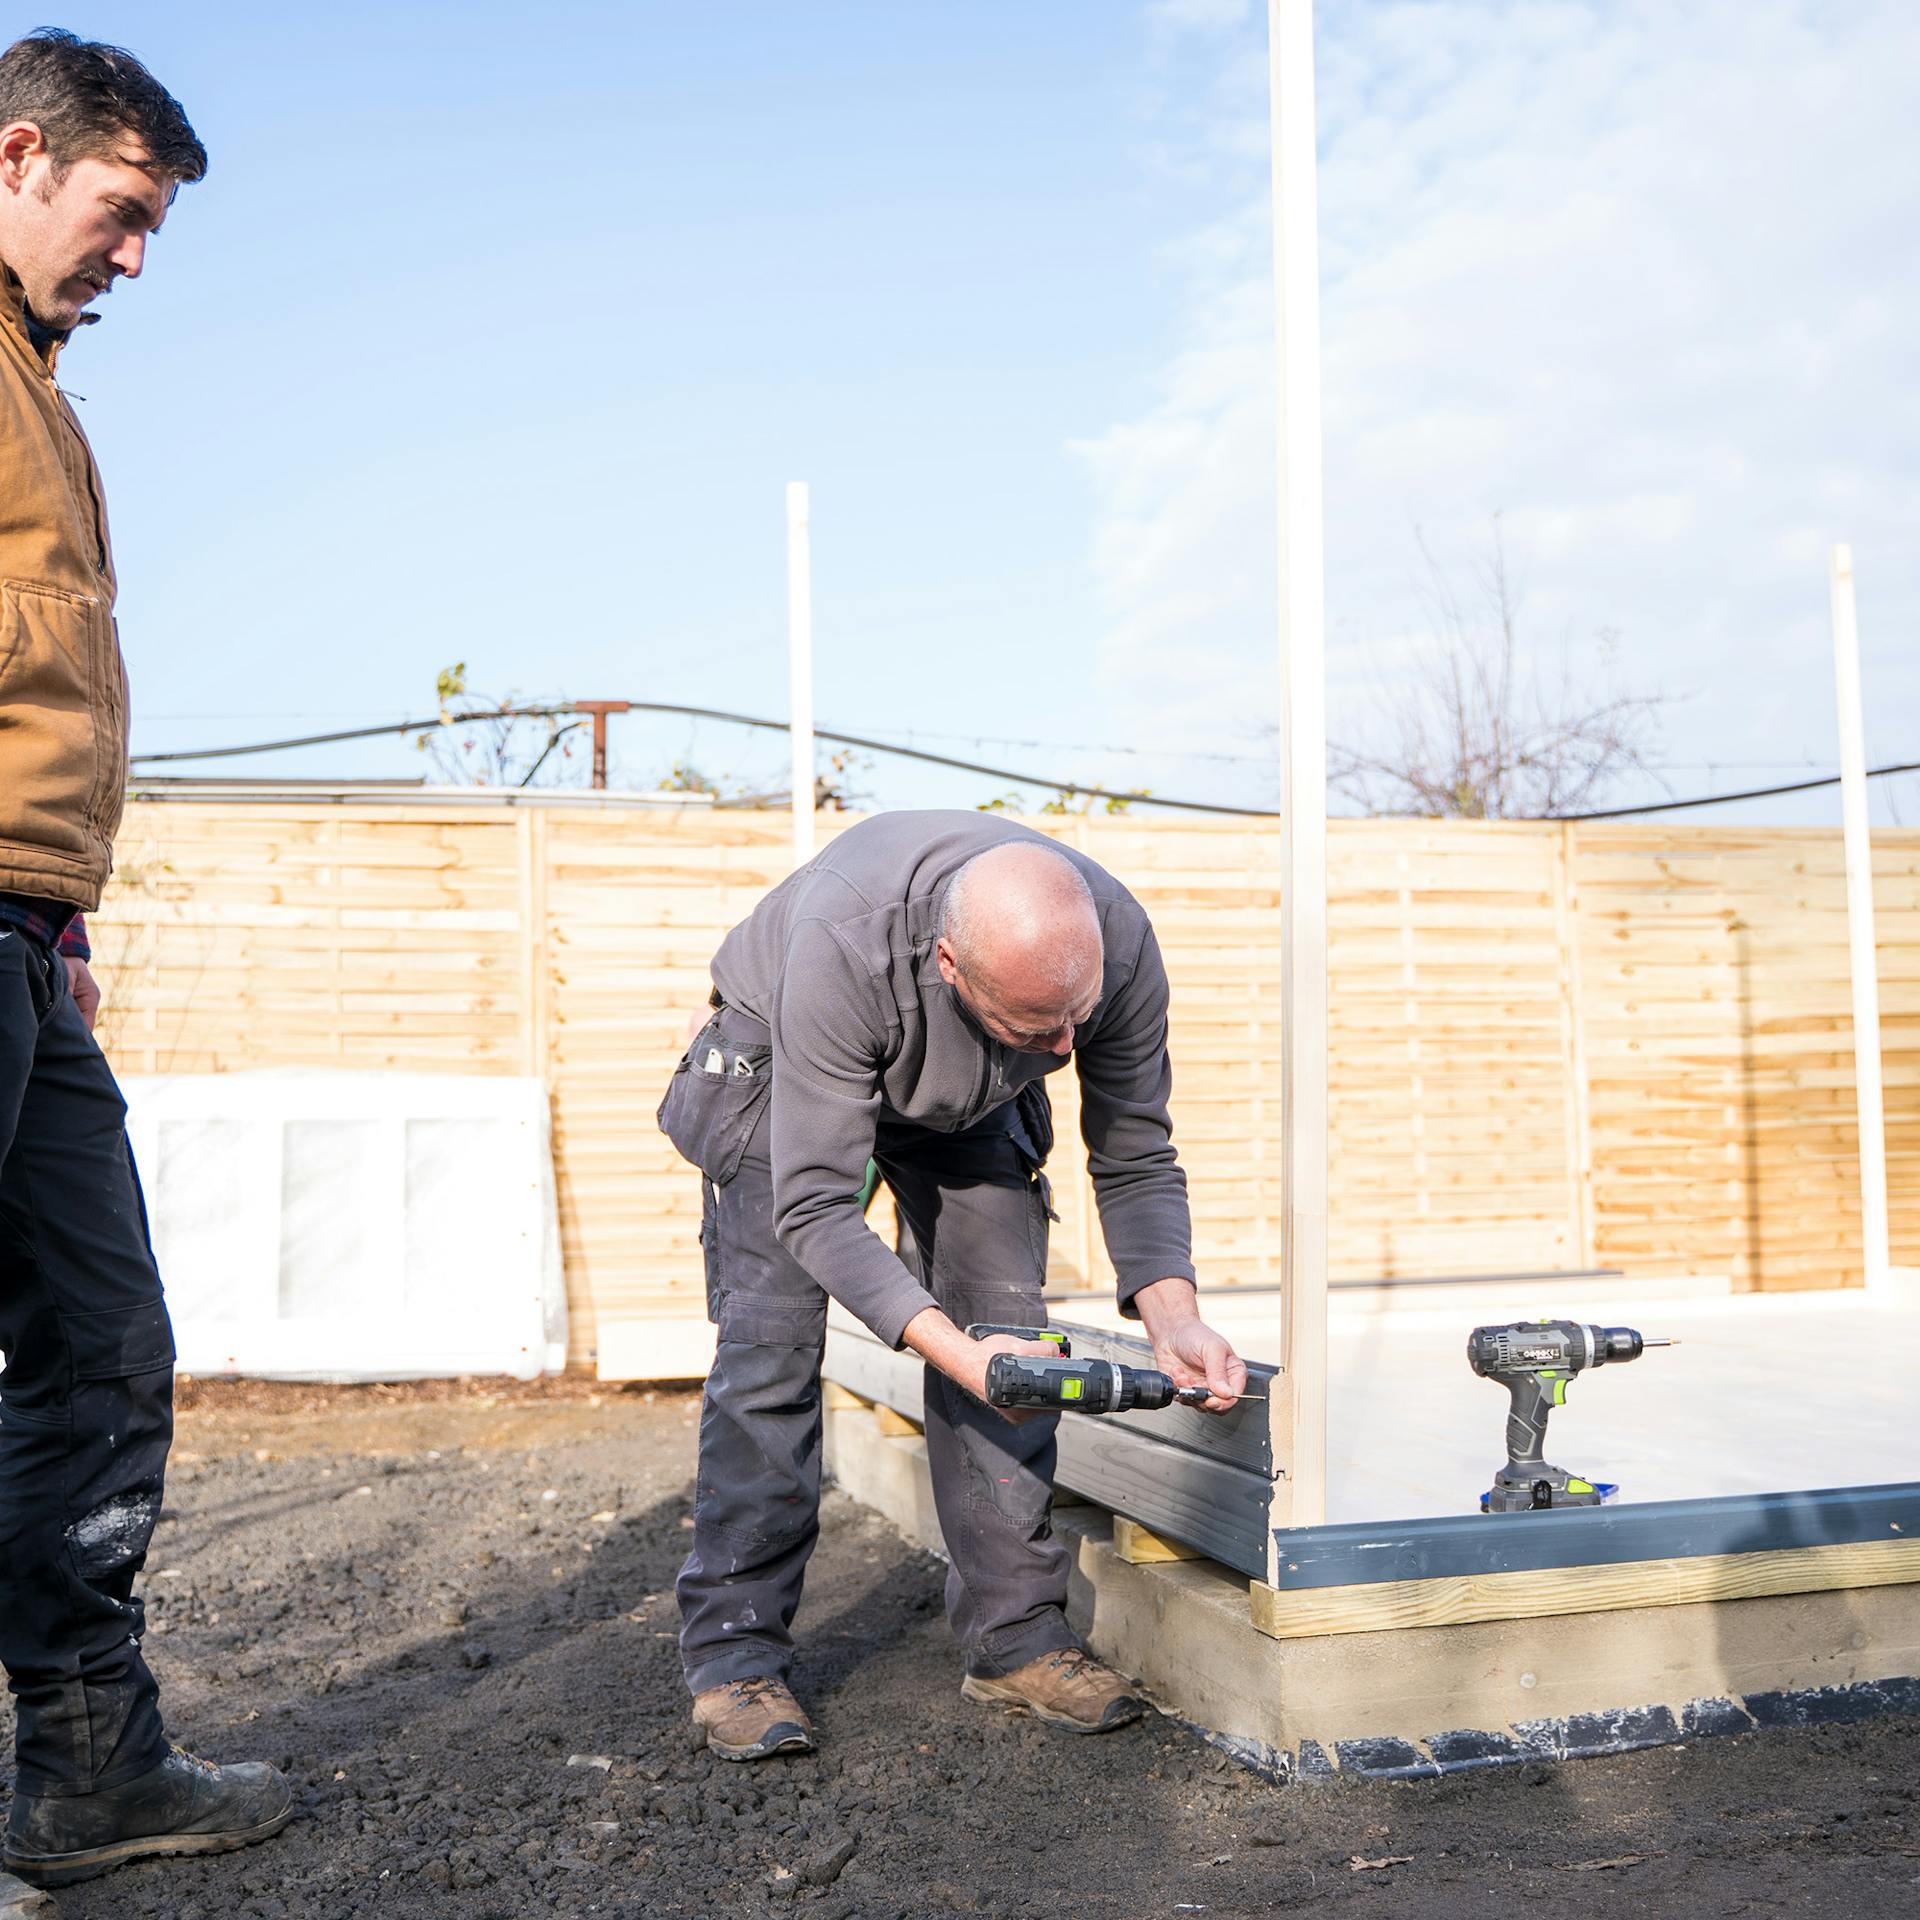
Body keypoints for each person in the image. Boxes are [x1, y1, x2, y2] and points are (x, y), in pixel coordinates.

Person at [659, 810, 1250, 1760]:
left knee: (1011, 1332)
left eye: (1077, 1020)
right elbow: (814, 1206)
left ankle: (1015, 1639)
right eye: (1039, 1024)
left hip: (972, 1088)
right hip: (788, 1067)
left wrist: (1171, 1315)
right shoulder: (845, 946)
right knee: (771, 1349)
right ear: (948, 962)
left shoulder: (1117, 947)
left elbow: (1136, 1150)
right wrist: (950, 1352)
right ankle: (734, 1655)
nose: (1065, 1049)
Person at [0, 30, 290, 1891]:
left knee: (103, 1347)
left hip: (23, 938)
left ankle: (91, 1772)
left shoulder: (33, 397)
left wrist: (61, 909)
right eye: (118, 212)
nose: (132, 257)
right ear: (18, 155)